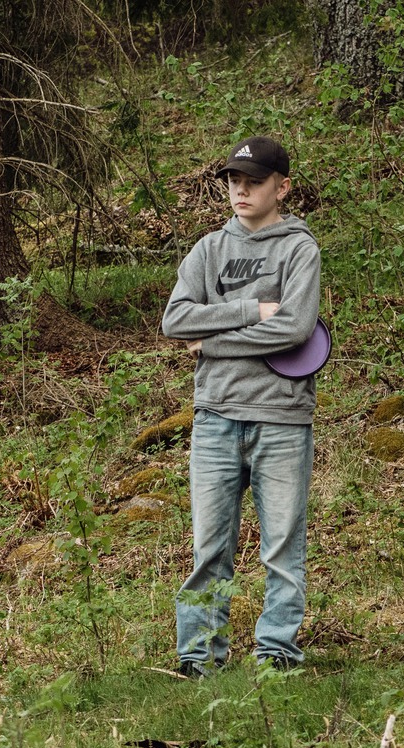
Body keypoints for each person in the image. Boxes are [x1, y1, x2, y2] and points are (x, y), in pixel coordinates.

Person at [161, 136, 322, 677]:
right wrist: (252, 309)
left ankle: (276, 653)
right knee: (209, 549)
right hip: (215, 417)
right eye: (234, 181)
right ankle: (200, 656)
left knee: (282, 549)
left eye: (254, 181)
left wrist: (214, 340)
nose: (241, 190)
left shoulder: (300, 249)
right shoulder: (208, 250)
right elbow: (175, 320)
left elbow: (297, 327)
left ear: (282, 187)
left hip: (281, 417)